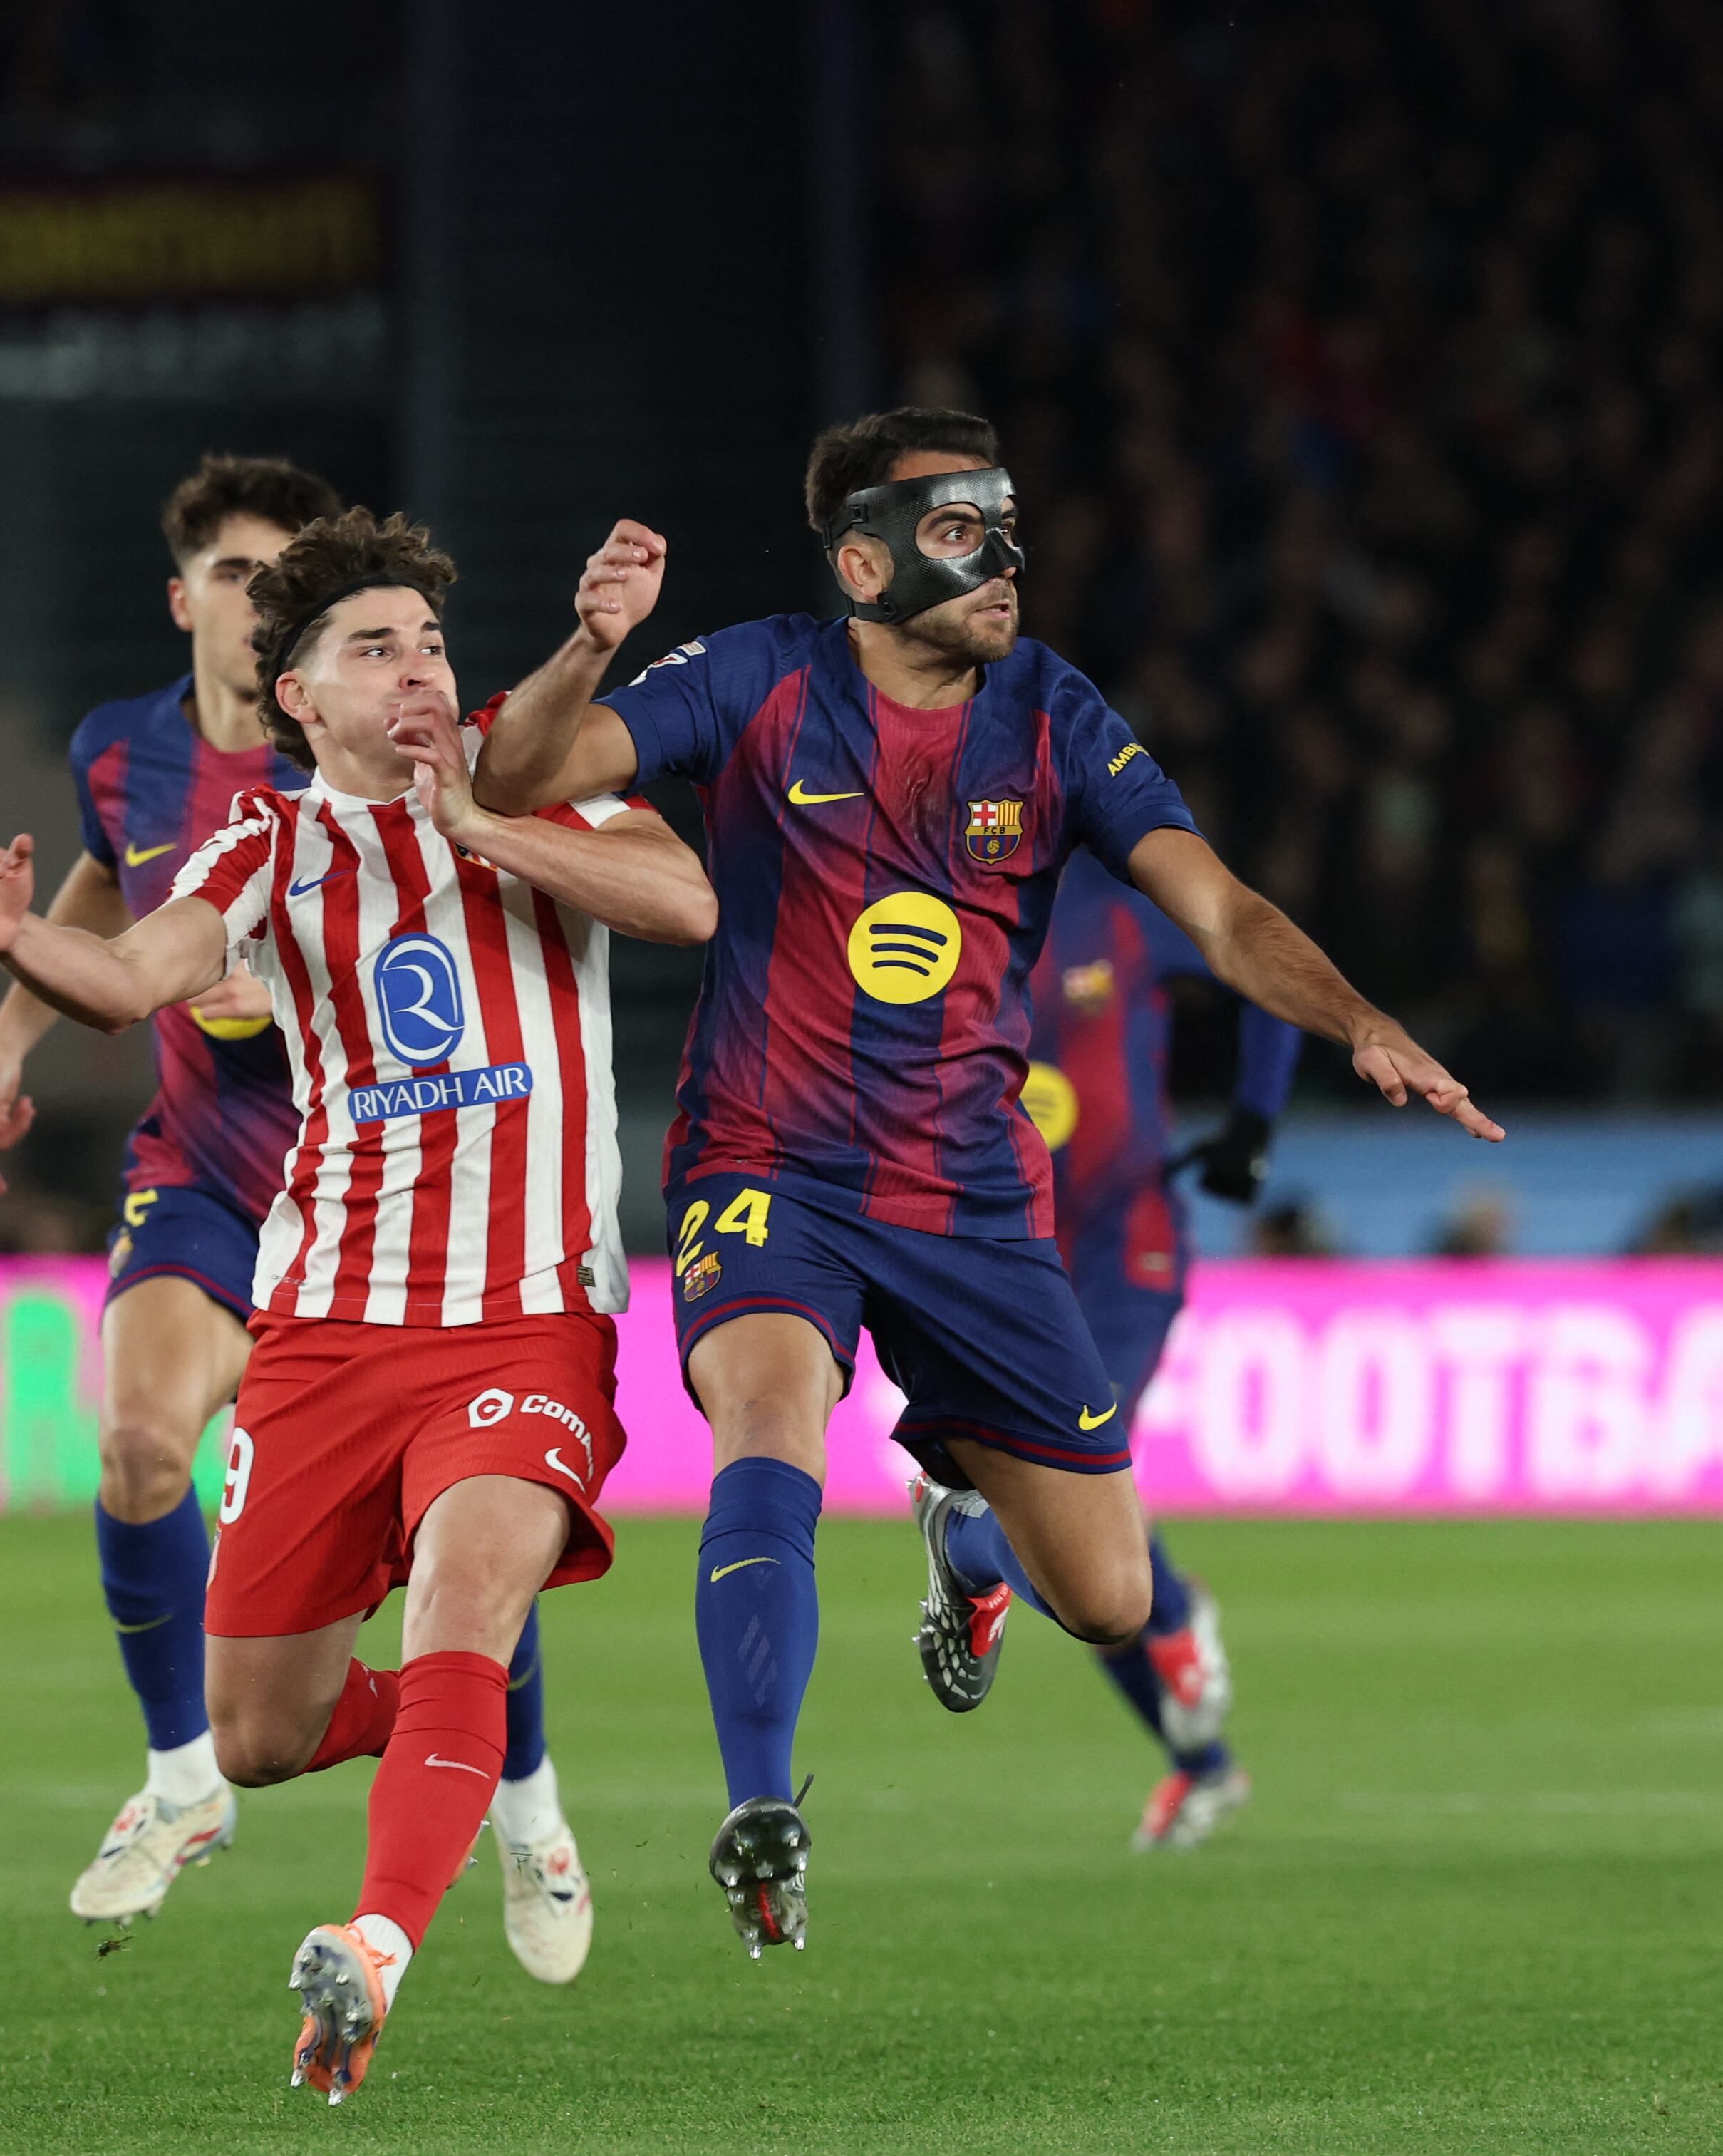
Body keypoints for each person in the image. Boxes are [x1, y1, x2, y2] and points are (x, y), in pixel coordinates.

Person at [472, 406, 1501, 1956]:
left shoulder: (1056, 713)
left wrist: (1357, 1020)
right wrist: (587, 642)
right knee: (766, 1411)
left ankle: (968, 1534)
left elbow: (1217, 912)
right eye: (962, 531)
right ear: (864, 558)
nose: (1005, 559)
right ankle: (761, 1803)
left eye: (1007, 522)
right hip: (769, 1157)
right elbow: (518, 769)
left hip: (969, 1196)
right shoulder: (753, 675)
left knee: (1108, 1594)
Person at [0, 507, 714, 2103]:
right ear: (297, 696)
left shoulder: (534, 768)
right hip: (329, 1325)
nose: (420, 668)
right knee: (257, 1736)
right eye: (376, 648)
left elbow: (684, 900)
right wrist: (22, 941)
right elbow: (139, 972)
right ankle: (475, 1749)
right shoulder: (263, 849)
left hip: (525, 1318)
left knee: (465, 1604)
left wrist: (490, 825)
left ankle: (373, 1938)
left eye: (430, 641)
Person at [1023, 852, 1298, 1847]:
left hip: (1124, 1244)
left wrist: (1254, 1123)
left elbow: (1268, 959)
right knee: (1046, 1550)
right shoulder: (935, 911)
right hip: (1009, 1263)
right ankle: (1204, 1765)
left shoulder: (1125, 907)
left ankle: (1175, 1614)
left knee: (1065, 1478)